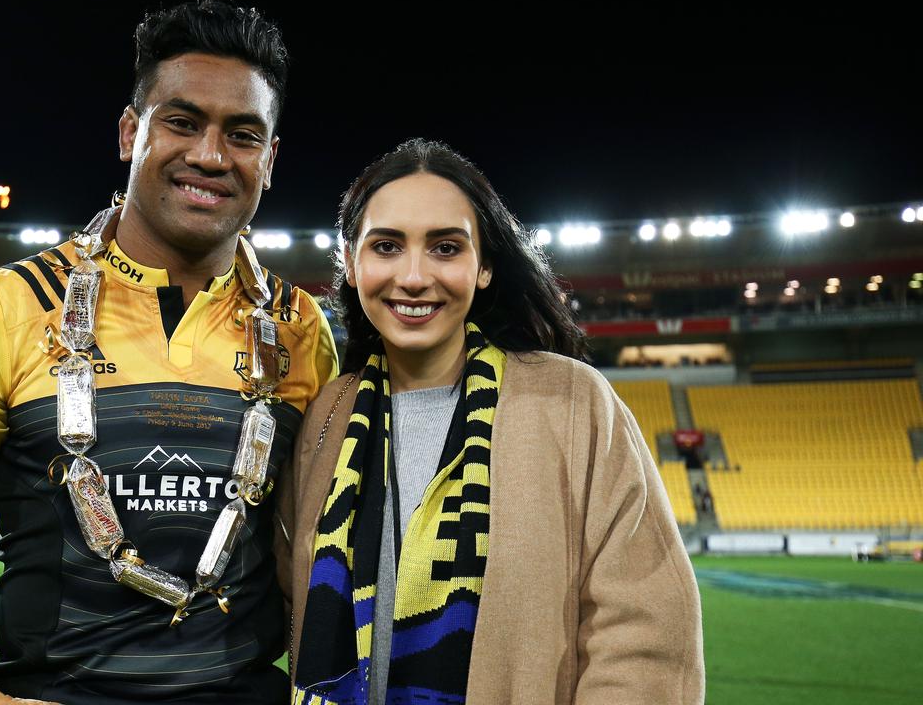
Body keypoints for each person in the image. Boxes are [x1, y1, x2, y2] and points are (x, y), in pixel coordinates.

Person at [0, 0, 337, 705]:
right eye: (181, 122)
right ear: (130, 133)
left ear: (269, 160)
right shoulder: (0, 307)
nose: (209, 155)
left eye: (242, 134)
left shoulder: (305, 330)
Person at [284, 139, 704, 704]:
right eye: (386, 246)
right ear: (353, 265)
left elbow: (645, 634)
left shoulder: (574, 404)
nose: (412, 277)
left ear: (483, 267)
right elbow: (289, 605)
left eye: (445, 248)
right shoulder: (325, 421)